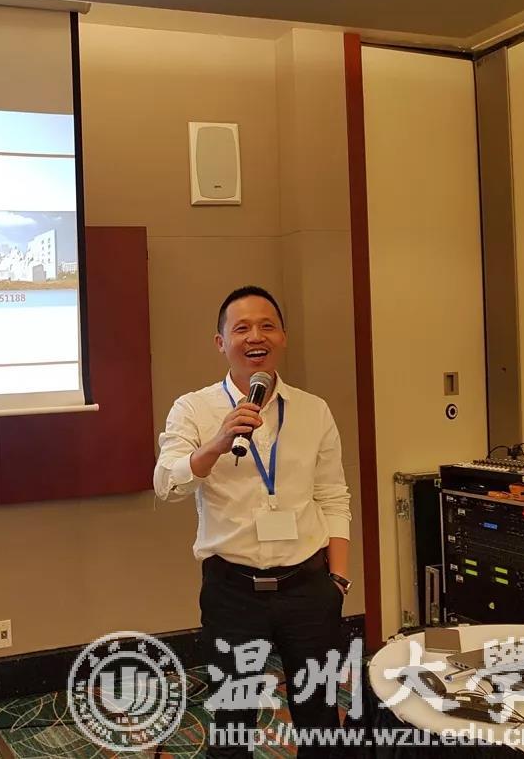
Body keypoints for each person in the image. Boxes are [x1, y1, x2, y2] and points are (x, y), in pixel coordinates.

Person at [154, 285, 352, 758]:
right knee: (233, 727)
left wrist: (338, 580)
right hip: (233, 593)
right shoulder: (194, 408)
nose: (255, 337)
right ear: (221, 342)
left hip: (309, 588)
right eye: (241, 328)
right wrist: (217, 442)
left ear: (283, 337)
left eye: (267, 326)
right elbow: (166, 484)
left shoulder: (314, 410)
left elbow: (333, 497)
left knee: (321, 720)